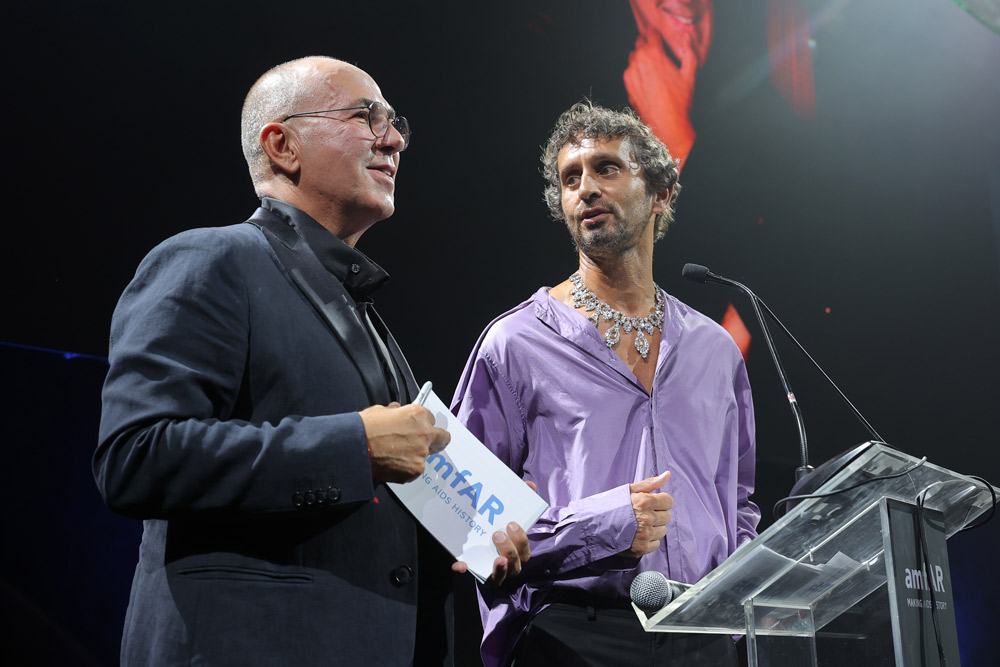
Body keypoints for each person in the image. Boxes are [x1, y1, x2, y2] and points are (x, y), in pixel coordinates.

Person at [94, 56, 529, 666]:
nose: (395, 138)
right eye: (364, 116)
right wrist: (356, 447)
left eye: (395, 121)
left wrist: (478, 539)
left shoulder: (362, 313)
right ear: (283, 145)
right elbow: (136, 457)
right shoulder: (210, 260)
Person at [451, 102, 759, 666]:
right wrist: (602, 529)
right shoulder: (515, 343)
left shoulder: (716, 349)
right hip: (572, 633)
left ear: (661, 194)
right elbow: (467, 516)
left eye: (606, 169)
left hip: (705, 635)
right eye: (572, 178)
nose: (585, 189)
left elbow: (735, 503)